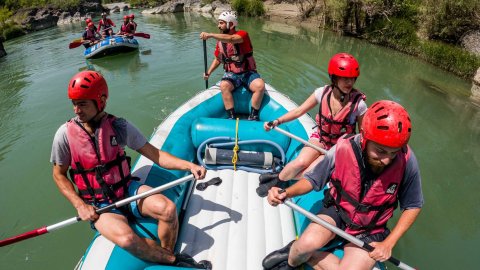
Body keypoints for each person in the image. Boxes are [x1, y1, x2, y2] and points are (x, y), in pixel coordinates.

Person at [51, 71, 211, 268]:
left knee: (168, 210)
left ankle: (166, 254)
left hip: (127, 190)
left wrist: (190, 166)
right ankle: (173, 259)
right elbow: (59, 175)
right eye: (74, 103)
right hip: (99, 205)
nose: (76, 110)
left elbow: (156, 155)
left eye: (82, 103)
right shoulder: (64, 135)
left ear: (101, 100)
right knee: (127, 239)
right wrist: (80, 205)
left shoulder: (119, 126)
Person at [263, 100, 424, 270]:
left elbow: (413, 205)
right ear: (364, 138)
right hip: (337, 210)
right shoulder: (342, 147)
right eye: (381, 151)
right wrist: (286, 193)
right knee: (302, 248)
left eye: (394, 152)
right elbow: (313, 180)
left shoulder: (407, 162)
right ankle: (295, 254)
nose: (386, 160)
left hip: (371, 229)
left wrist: (389, 243)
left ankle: (311, 258)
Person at [257, 53, 367, 195]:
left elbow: (363, 136)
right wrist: (277, 121)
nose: (350, 83)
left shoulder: (359, 105)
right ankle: (278, 179)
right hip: (320, 137)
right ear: (334, 78)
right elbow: (299, 111)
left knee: (312, 172)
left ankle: (282, 184)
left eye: (352, 79)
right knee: (300, 162)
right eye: (345, 78)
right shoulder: (322, 93)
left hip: (337, 148)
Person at [199, 11, 265, 121]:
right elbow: (218, 59)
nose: (219, 26)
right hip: (232, 74)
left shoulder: (243, 34)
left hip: (248, 72)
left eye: (221, 23)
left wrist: (210, 35)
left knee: (259, 86)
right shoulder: (220, 42)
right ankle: (231, 116)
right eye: (219, 23)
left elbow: (231, 39)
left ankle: (253, 116)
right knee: (224, 85)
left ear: (231, 24)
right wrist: (208, 73)